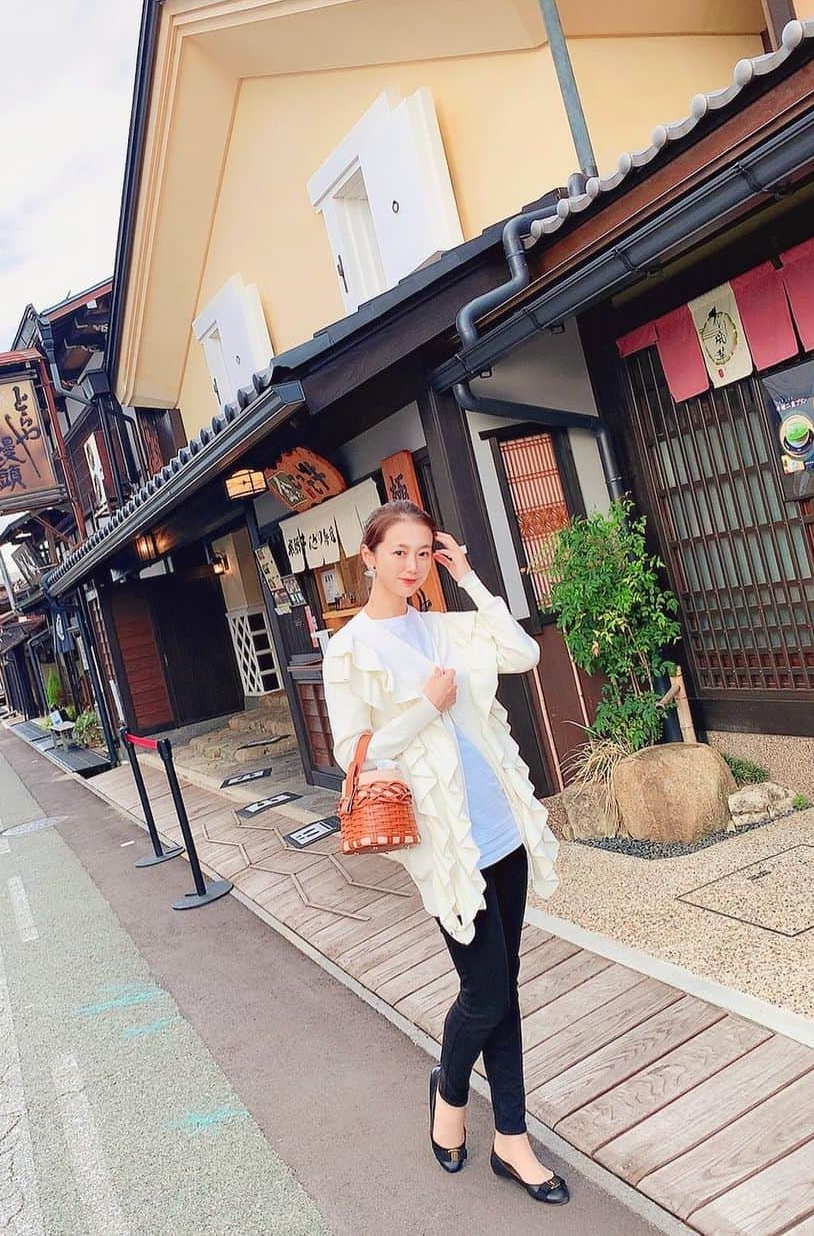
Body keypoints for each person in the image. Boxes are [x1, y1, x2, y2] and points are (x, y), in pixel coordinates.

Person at [321, 500, 567, 1206]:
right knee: (485, 991)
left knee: (504, 988)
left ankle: (511, 1140)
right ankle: (450, 1090)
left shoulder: (445, 624)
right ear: (367, 556)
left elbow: (524, 653)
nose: (410, 565)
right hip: (448, 846)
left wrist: (472, 580)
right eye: (397, 552)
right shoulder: (352, 649)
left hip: (502, 826)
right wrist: (427, 704)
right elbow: (353, 753)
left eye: (423, 552)